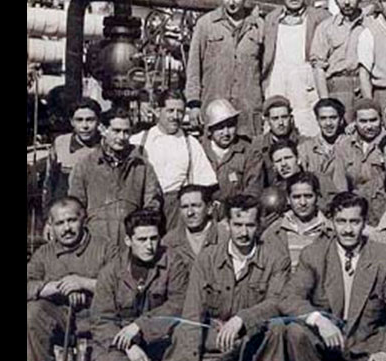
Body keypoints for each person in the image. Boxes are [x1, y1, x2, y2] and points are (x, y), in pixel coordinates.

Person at [279, 193, 386, 361]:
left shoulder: (385, 256)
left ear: (365, 223)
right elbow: (289, 297)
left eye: (354, 222)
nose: (348, 230)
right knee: (295, 331)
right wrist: (319, 320)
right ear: (331, 222)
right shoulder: (314, 254)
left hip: (365, 342)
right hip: (325, 342)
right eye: (341, 222)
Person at [170, 194, 292, 361]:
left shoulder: (276, 258)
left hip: (256, 345)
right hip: (220, 346)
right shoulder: (207, 258)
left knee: (277, 327)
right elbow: (192, 313)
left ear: (259, 225)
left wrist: (242, 319)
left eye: (250, 225)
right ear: (226, 224)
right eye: (237, 225)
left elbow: (278, 302)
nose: (243, 233)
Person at [89, 209, 190, 361]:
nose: (149, 246)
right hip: (126, 345)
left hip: (162, 341)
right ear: (128, 240)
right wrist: (129, 346)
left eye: (154, 238)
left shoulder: (174, 263)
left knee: (182, 334)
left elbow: (179, 304)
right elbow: (101, 320)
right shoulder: (111, 272)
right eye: (142, 239)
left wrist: (140, 326)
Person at [27, 197, 118, 361]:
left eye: (72, 220)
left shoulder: (105, 247)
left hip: (98, 321)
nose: (66, 228)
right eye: (60, 223)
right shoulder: (44, 253)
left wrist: (83, 283)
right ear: (51, 225)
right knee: (32, 311)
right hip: (62, 321)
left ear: (83, 219)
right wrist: (53, 287)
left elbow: (120, 286)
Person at [185, 0, 265, 136]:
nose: (231, 2)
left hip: (248, 111)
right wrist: (193, 104)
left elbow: (266, 68)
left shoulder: (258, 26)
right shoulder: (206, 24)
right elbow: (193, 67)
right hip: (215, 109)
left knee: (250, 157)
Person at [68, 108, 162, 248]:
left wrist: (139, 230)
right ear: (103, 129)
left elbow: (153, 202)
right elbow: (75, 206)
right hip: (95, 243)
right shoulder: (85, 165)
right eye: (116, 131)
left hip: (130, 245)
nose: (122, 137)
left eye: (126, 132)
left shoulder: (142, 166)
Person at [129, 90, 218, 234]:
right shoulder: (138, 140)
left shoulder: (191, 143)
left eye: (180, 112)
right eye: (170, 111)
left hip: (176, 210)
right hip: (144, 207)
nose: (175, 116)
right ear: (158, 111)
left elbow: (205, 184)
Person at [262, 0, 328, 137]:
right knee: (277, 133)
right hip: (278, 81)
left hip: (306, 84)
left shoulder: (320, 17)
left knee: (309, 132)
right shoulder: (271, 19)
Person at [312, 0, 369, 115]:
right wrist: (325, 102)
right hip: (337, 87)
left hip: (364, 85)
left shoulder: (370, 25)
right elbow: (318, 67)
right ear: (336, 0)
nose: (347, 2)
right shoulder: (326, 28)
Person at [333, 98, 386, 223]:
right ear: (355, 123)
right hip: (355, 210)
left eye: (373, 120)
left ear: (381, 120)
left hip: (384, 210)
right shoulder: (344, 145)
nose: (369, 126)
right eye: (363, 121)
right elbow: (340, 185)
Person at [261, 171, 332, 269]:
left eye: (308, 196)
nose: (303, 203)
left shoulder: (330, 231)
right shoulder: (274, 231)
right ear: (288, 199)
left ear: (317, 196)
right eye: (296, 197)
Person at [199, 98, 263, 202]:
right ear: (210, 130)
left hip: (237, 211)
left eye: (230, 125)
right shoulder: (200, 151)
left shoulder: (249, 152)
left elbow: (253, 189)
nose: (226, 132)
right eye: (220, 127)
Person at [42, 97, 102, 207]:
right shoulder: (61, 143)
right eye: (79, 120)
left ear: (98, 121)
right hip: (65, 213)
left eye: (90, 120)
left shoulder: (105, 147)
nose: (85, 126)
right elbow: (49, 181)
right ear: (72, 122)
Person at [160, 184, 224, 264]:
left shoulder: (224, 237)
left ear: (209, 209)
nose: (190, 213)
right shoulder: (169, 242)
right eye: (185, 207)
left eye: (195, 206)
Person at [297, 98, 347, 197]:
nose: (328, 123)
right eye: (323, 118)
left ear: (341, 120)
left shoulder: (350, 146)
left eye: (333, 118)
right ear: (317, 120)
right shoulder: (305, 148)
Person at [257, 96, 302, 186]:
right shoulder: (258, 146)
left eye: (284, 117)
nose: (281, 123)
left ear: (291, 118)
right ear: (268, 121)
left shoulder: (303, 143)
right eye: (275, 118)